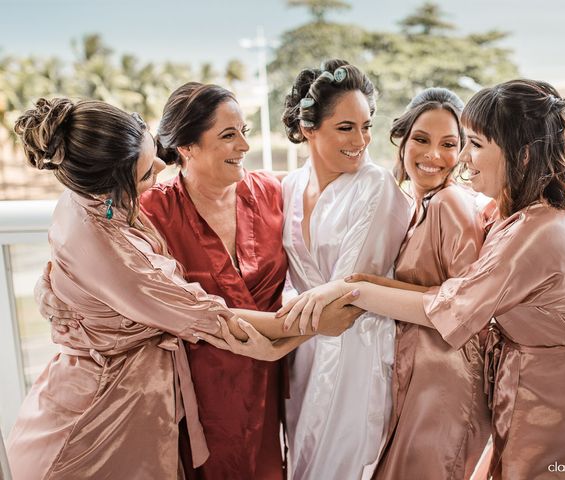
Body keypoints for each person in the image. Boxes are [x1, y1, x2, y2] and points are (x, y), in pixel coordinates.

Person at [279, 79, 565, 479]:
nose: (462, 158)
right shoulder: (509, 215)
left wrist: (352, 289)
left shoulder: (533, 234)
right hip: (535, 392)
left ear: (520, 156)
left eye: (474, 144)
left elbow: (448, 307)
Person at [35, 84, 362, 480]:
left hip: (265, 385)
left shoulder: (274, 192)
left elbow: (324, 190)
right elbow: (102, 265)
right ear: (187, 147)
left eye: (245, 131)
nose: (244, 145)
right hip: (191, 390)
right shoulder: (149, 211)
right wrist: (50, 289)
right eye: (228, 135)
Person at [7, 97, 231, 479]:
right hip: (103, 417)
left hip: (82, 390)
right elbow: (213, 319)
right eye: (146, 174)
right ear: (110, 186)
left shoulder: (79, 195)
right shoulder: (116, 253)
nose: (161, 167)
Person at [279, 59, 411, 480]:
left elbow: (347, 291)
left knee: (346, 464)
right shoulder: (288, 187)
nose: (362, 140)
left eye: (367, 125)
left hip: (359, 350)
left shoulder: (375, 186)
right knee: (301, 457)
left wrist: (266, 338)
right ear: (307, 129)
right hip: (303, 351)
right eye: (346, 128)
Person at [365, 88, 492, 480]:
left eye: (448, 144)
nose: (433, 155)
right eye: (421, 139)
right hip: (419, 377)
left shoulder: (451, 204)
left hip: (445, 383)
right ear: (402, 141)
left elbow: (467, 305)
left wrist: (363, 290)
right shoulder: (418, 205)